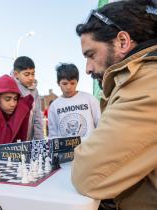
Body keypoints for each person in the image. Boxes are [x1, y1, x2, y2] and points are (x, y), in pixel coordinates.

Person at [71, 0, 157, 209]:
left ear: (122, 42)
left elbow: (88, 174)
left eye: (91, 55)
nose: (88, 69)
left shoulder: (147, 81)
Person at [48, 63, 101, 139]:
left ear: (77, 82)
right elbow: (53, 135)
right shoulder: (54, 106)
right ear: (58, 83)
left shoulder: (89, 99)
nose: (69, 87)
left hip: (89, 148)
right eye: (64, 83)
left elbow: (100, 124)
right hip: (65, 150)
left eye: (72, 83)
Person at [12, 56, 44, 140]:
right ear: (16, 74)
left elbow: (37, 116)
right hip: (12, 141)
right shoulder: (10, 87)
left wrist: (40, 141)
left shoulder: (35, 91)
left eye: (33, 73)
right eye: (27, 74)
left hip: (28, 140)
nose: (31, 78)